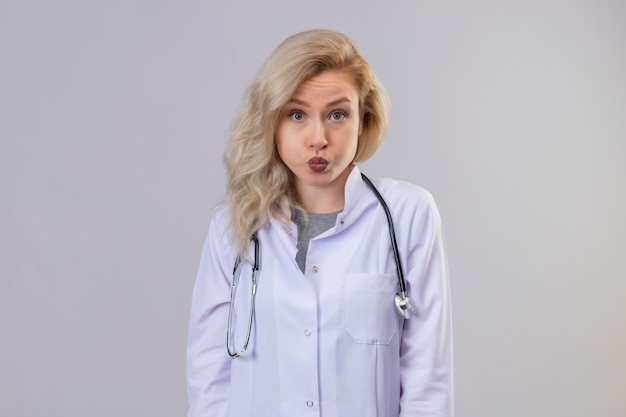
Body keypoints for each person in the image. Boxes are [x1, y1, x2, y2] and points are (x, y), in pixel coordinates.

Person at [187, 29, 453, 417]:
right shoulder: (232, 225)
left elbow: (427, 380)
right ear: (272, 122)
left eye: (337, 115)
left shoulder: (407, 215)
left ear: (362, 122)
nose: (318, 138)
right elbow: (209, 376)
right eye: (297, 115)